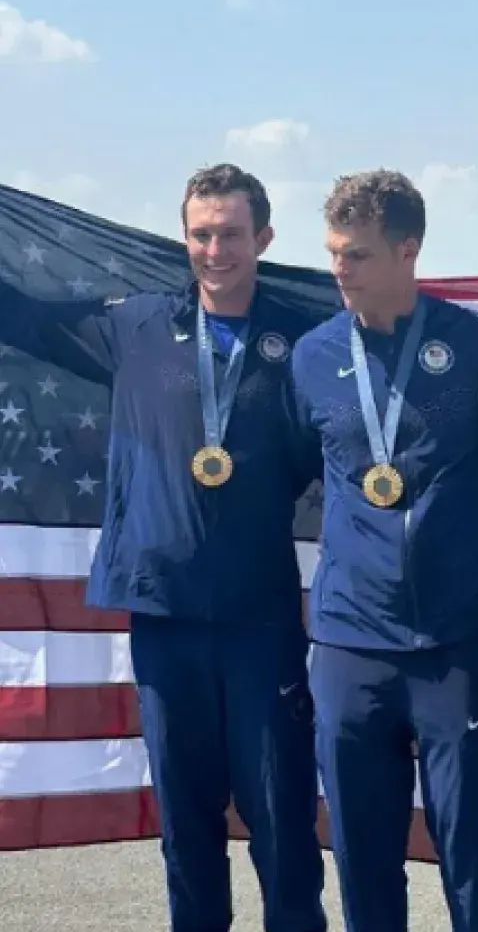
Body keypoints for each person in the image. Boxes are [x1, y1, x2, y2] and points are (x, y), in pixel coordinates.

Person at [0, 165, 328, 931]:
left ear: (263, 238)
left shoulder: (302, 344)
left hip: (259, 619)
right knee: (186, 817)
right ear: (184, 237)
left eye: (231, 234)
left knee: (279, 814)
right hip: (163, 612)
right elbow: (26, 316)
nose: (215, 250)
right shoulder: (138, 326)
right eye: (201, 234)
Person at [285, 170, 478, 932]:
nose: (339, 269)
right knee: (363, 857)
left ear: (408, 250)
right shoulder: (313, 356)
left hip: (455, 644)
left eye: (356, 254)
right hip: (352, 645)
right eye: (332, 252)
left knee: (473, 857)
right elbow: (304, 463)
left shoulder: (474, 345)